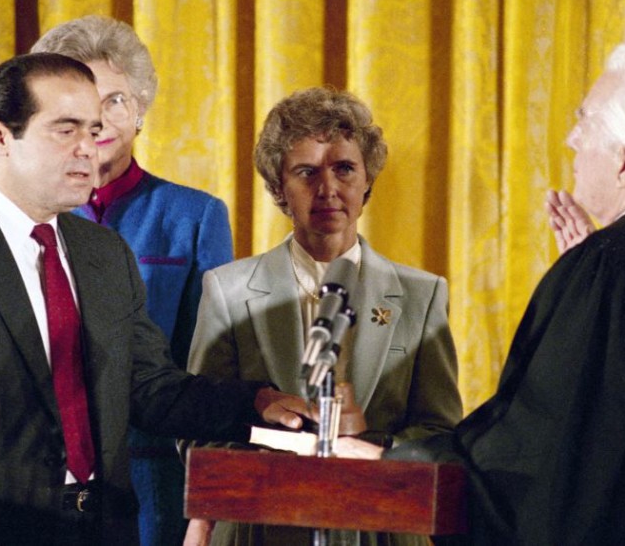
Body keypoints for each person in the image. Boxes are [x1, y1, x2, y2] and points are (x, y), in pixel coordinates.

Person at [0, 52, 310, 545]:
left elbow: (149, 386)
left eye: (93, 131)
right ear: (0, 136)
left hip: (101, 527)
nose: (89, 149)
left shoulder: (103, 253)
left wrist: (256, 401)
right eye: (65, 130)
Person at [341, 40, 625, 544]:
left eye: (584, 122)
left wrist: (403, 461)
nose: (570, 140)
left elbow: (537, 465)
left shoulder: (610, 271)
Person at [184, 87, 463, 546]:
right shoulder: (228, 290)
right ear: (279, 187)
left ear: (367, 179)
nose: (328, 189)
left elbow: (441, 435)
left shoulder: (422, 294)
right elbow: (195, 433)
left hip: (382, 532)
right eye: (307, 172)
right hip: (260, 533)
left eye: (345, 169)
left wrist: (369, 445)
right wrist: (283, 453)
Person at [30, 16, 234, 546]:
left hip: (151, 484)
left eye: (116, 99)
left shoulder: (194, 217)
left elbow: (207, 370)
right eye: (83, 101)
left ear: (141, 108)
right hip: (32, 480)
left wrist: (205, 510)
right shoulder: (22, 215)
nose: (99, 119)